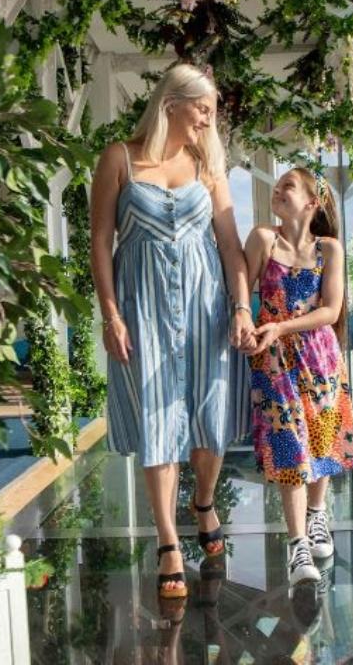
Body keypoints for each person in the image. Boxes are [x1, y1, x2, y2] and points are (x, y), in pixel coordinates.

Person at [90, 64, 254, 600]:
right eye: (203, 108)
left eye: (212, 111)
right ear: (171, 104)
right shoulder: (119, 158)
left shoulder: (207, 164)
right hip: (144, 308)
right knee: (157, 418)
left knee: (209, 416)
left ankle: (202, 501)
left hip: (207, 306)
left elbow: (229, 245)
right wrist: (110, 314)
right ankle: (167, 541)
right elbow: (100, 241)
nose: (208, 119)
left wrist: (242, 307)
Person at [243, 168, 353, 585]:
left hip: (320, 357)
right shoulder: (263, 239)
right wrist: (250, 324)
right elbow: (240, 290)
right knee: (289, 446)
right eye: (277, 186)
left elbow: (330, 311)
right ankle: (297, 545)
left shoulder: (329, 249)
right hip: (274, 360)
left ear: (312, 203)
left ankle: (316, 514)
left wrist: (282, 326)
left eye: (288, 187)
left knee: (321, 437)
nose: (277, 190)